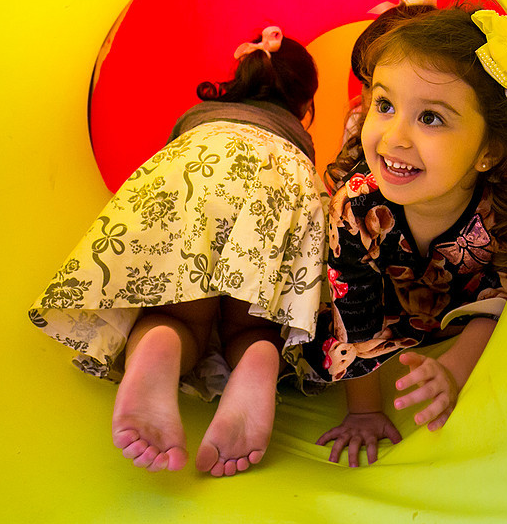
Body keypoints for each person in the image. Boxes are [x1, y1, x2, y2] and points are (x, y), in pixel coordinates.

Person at [28, 26, 330, 477]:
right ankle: (258, 354)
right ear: (305, 104)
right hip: (282, 180)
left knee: (180, 315)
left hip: (195, 167)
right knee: (249, 322)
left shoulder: (200, 115)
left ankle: (159, 347)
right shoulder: (296, 137)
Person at [304, 1, 507, 466]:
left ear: (487, 151)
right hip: (381, 320)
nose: (394, 137)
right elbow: (353, 313)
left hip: (449, 322)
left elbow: (504, 297)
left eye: (430, 118)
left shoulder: (506, 205)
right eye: (385, 105)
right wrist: (366, 412)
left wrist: (454, 370)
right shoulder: (357, 206)